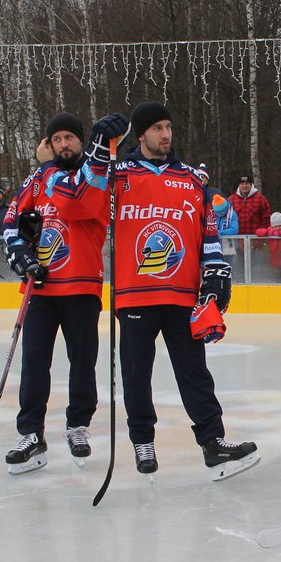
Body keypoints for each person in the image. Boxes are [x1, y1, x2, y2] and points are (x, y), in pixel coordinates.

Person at [114, 100, 259, 480]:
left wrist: (215, 272)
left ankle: (213, 442)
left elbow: (208, 233)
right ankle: (142, 440)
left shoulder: (193, 179)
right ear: (141, 133)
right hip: (134, 293)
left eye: (169, 126)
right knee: (135, 372)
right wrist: (100, 151)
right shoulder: (118, 175)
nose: (166, 134)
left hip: (182, 294)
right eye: (158, 128)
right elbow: (90, 199)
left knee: (195, 372)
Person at [0, 111, 114, 474]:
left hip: (81, 283)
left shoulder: (95, 173)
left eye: (69, 137)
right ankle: (31, 433)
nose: (63, 144)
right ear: (49, 144)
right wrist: (21, 254)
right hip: (42, 287)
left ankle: (78, 425)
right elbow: (11, 222)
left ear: (81, 141)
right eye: (56, 139)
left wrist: (46, 168)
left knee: (82, 361)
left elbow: (76, 200)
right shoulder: (35, 180)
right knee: (34, 362)